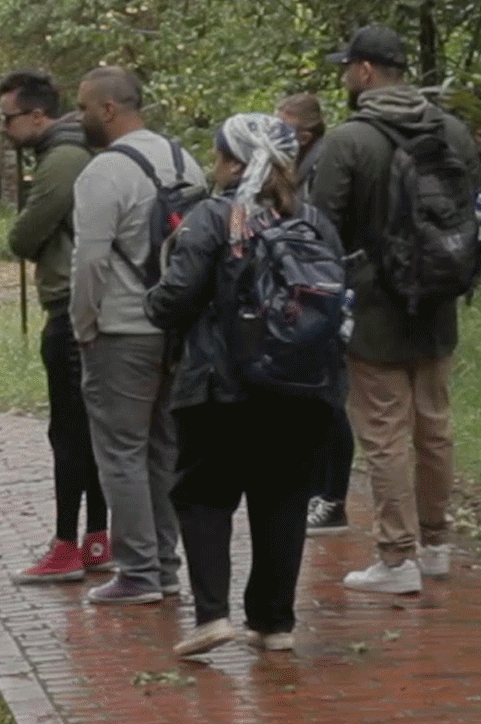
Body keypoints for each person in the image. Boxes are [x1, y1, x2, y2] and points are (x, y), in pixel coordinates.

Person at [147, 112, 345, 657]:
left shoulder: (213, 216)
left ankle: (212, 615)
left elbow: (178, 295)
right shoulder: (314, 220)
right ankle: (274, 621)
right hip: (302, 389)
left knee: (204, 494)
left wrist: (154, 300)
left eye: (218, 155)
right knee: (282, 496)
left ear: (236, 161)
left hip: (221, 385)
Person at [300, 26, 481, 595]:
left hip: (374, 309)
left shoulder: (350, 141)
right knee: (435, 427)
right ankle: (436, 547)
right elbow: (476, 212)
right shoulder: (452, 130)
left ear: (364, 72)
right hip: (438, 303)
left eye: (346, 68)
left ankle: (395, 557)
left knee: (383, 432)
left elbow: (319, 228)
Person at [70, 64, 207, 606]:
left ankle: (138, 573)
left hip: (123, 330)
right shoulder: (185, 161)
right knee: (164, 447)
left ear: (108, 109)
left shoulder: (102, 174)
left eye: (82, 106)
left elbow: (89, 262)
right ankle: (166, 567)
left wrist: (85, 326)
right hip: (177, 326)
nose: (77, 116)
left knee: (121, 450)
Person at [0, 69, 112, 584]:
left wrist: (26, 236)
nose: (4, 128)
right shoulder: (76, 151)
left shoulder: (63, 160)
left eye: (9, 118)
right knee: (90, 428)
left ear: (37, 115)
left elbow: (24, 236)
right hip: (89, 305)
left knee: (69, 431)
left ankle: (69, 544)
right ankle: (96, 538)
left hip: (69, 307)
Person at [280, 91, 357, 537]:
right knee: (315, 393)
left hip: (328, 290)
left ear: (305, 133)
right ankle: (316, 489)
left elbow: (324, 226)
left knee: (330, 396)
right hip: (315, 289)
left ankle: (333, 496)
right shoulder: (302, 165)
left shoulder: (323, 163)